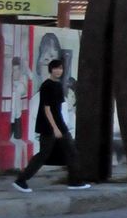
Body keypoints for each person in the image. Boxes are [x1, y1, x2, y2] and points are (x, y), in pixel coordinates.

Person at [14, 59, 89, 193]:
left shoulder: (58, 86)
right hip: (48, 126)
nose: (58, 71)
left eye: (60, 68)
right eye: (55, 68)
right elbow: (47, 109)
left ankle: (74, 181)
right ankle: (21, 180)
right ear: (51, 70)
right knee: (43, 155)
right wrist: (55, 128)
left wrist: (62, 125)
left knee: (71, 151)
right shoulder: (47, 86)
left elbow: (59, 108)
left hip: (60, 124)